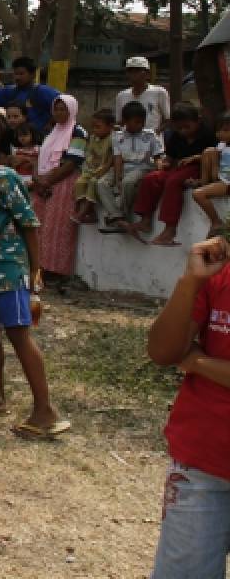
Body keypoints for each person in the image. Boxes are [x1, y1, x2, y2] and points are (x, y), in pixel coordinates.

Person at [0, 112, 69, 438]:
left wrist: (34, 270)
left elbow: (28, 224)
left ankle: (45, 410)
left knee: (19, 334)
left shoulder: (5, 179)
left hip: (7, 268)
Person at [146, 237, 230, 578]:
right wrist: (190, 281)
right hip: (203, 464)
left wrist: (197, 361)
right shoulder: (219, 276)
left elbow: (182, 354)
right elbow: (163, 352)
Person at [128, 102, 216, 247]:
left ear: (198, 121)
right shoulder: (176, 136)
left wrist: (195, 158)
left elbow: (215, 155)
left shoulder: (207, 134)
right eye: (179, 128)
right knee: (151, 178)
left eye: (187, 127)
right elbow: (169, 157)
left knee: (173, 182)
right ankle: (146, 219)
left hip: (197, 168)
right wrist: (163, 164)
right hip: (179, 167)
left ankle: (170, 229)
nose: (183, 131)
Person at [28, 95, 86, 278]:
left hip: (65, 181)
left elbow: (72, 162)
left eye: (63, 109)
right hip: (44, 181)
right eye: (57, 109)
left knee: (57, 225)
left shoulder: (78, 133)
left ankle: (57, 270)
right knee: (37, 220)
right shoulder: (51, 132)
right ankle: (38, 265)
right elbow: (40, 158)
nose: (59, 113)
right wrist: (39, 180)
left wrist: (48, 181)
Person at [98, 101, 163, 232]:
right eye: (136, 122)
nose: (140, 125)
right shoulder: (118, 136)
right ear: (125, 122)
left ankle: (124, 217)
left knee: (128, 182)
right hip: (124, 166)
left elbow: (157, 156)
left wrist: (160, 168)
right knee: (101, 183)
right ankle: (117, 217)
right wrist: (117, 177)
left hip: (143, 167)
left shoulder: (150, 135)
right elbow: (117, 158)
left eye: (142, 122)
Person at [0, 56, 61, 134]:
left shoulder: (44, 91)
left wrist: (50, 123)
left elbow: (65, 104)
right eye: (15, 74)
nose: (17, 77)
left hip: (40, 138)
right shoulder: (10, 91)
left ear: (33, 75)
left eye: (21, 74)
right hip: (16, 138)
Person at [71, 109, 115, 225]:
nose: (94, 130)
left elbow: (111, 160)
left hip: (105, 169)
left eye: (98, 127)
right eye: (93, 127)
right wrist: (90, 165)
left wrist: (101, 169)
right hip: (92, 168)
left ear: (110, 127)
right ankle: (90, 212)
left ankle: (83, 212)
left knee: (93, 182)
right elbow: (89, 154)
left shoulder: (113, 139)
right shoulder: (93, 138)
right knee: (79, 182)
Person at [192, 112, 230, 237]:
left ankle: (216, 222)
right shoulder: (222, 145)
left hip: (227, 182)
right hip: (221, 178)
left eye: (225, 130)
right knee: (208, 151)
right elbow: (214, 154)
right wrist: (193, 158)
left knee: (198, 194)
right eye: (218, 130)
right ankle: (203, 182)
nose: (220, 134)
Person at [116, 55, 170, 133]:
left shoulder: (159, 92)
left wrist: (155, 133)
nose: (133, 75)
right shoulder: (121, 96)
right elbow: (120, 122)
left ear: (147, 73)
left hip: (152, 142)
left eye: (137, 71)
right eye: (130, 71)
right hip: (129, 141)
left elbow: (168, 120)